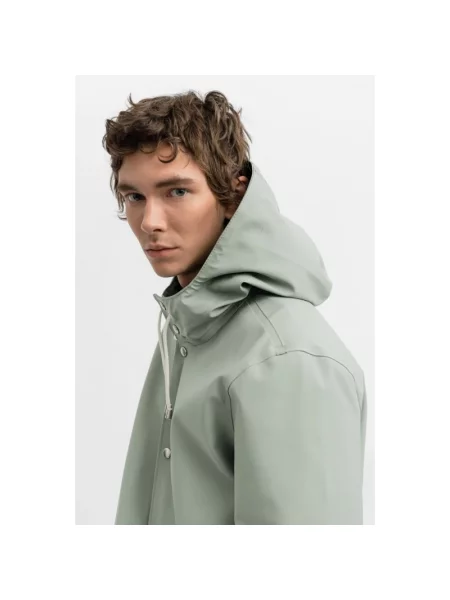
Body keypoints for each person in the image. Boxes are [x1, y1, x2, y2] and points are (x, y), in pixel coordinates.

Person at [102, 89, 367, 524]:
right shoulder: (189, 325)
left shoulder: (284, 359)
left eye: (177, 191)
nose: (149, 222)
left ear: (232, 195)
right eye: (135, 197)